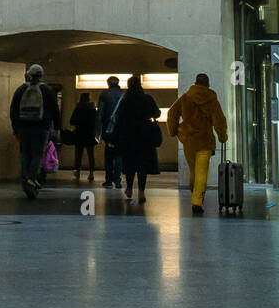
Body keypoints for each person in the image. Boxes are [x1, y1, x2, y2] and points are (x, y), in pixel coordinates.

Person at [168, 72, 228, 215]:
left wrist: (174, 131)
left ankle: (194, 192)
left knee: (193, 170)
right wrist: (222, 136)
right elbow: (219, 120)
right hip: (205, 140)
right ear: (207, 84)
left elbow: (171, 113)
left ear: (195, 83)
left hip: (189, 139)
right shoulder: (212, 99)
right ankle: (197, 201)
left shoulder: (185, 97)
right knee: (201, 172)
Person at [10, 64, 59, 198]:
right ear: (41, 75)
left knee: (25, 154)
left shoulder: (20, 89)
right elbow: (55, 110)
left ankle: (26, 180)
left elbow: (13, 110)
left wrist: (15, 128)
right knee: (38, 154)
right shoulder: (47, 90)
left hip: (23, 128)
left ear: (29, 75)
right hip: (42, 128)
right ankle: (31, 179)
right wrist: (57, 129)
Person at [115, 74, 161, 204]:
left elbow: (119, 118)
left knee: (130, 164)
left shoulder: (125, 100)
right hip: (145, 134)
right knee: (142, 165)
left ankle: (129, 188)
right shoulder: (147, 98)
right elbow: (156, 113)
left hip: (128, 135)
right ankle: (141, 191)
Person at [97, 76, 125, 188]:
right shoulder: (124, 95)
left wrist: (98, 130)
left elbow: (100, 114)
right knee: (119, 154)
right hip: (121, 130)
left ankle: (108, 180)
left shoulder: (104, 95)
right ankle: (117, 180)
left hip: (108, 130)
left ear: (108, 83)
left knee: (109, 154)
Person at [69, 92, 98, 181]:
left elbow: (72, 121)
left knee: (78, 154)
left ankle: (77, 171)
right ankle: (91, 173)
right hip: (90, 134)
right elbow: (96, 121)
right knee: (90, 154)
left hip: (79, 134)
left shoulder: (78, 109)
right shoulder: (93, 110)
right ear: (89, 99)